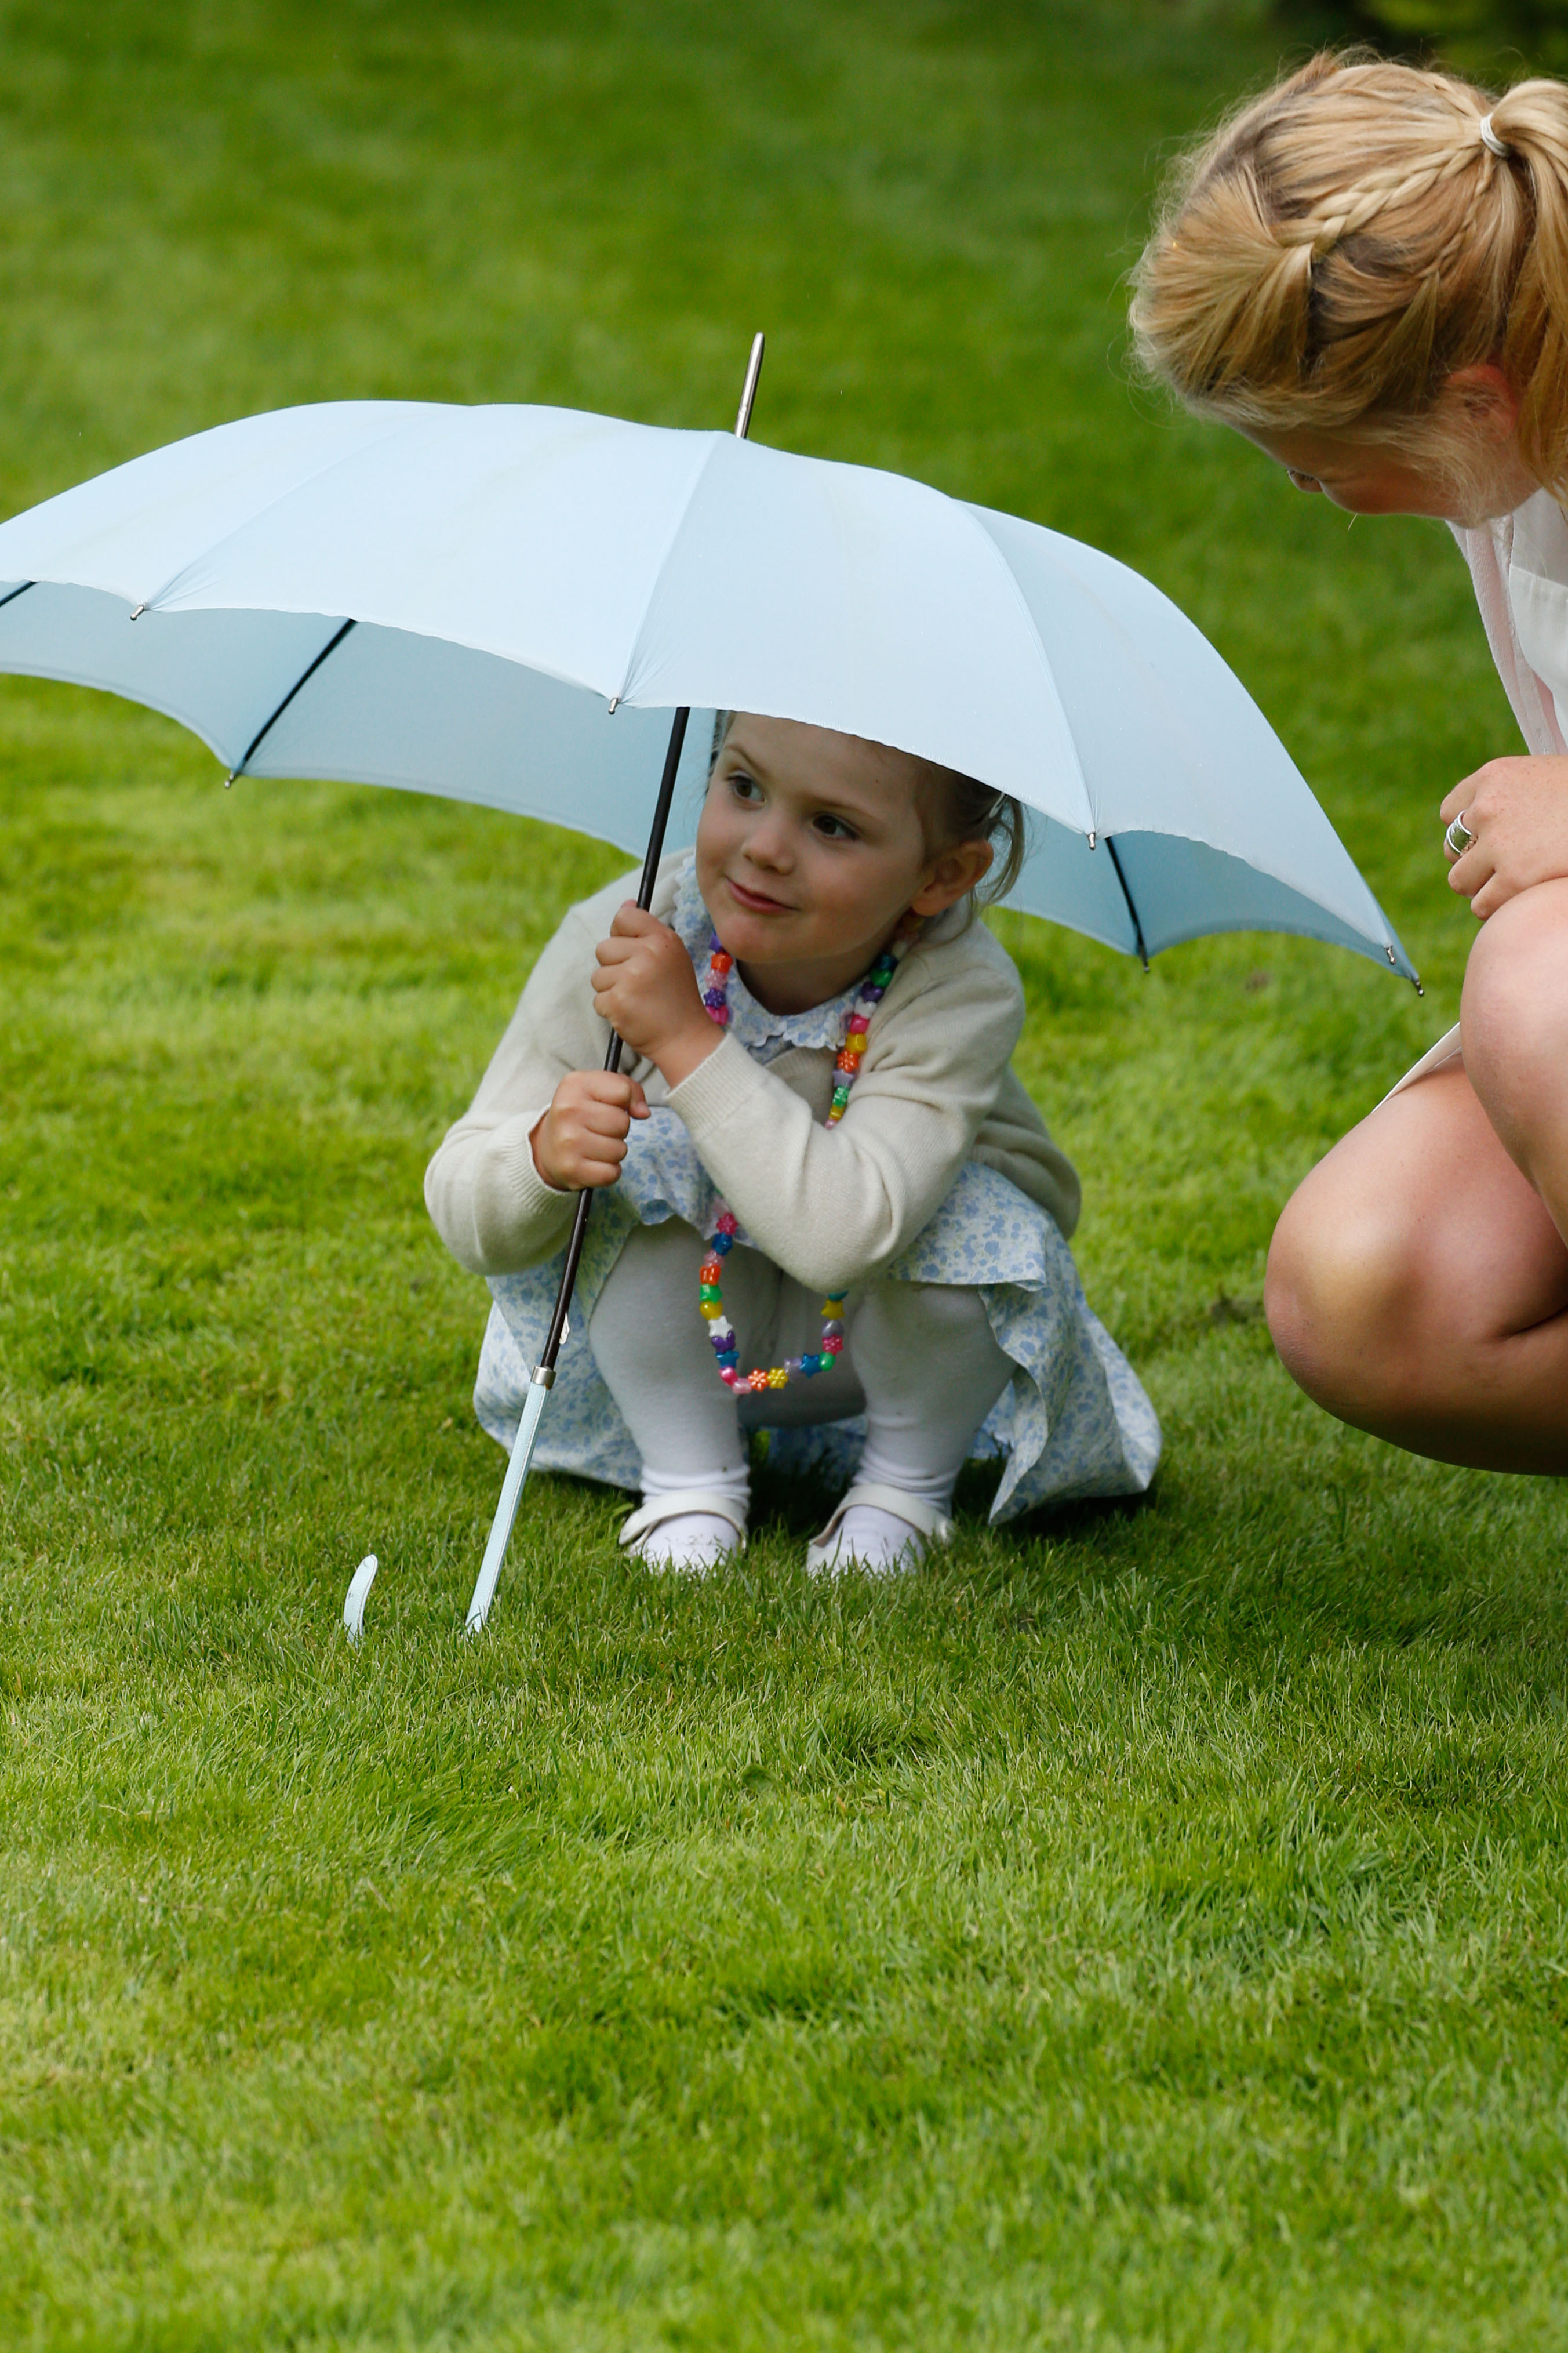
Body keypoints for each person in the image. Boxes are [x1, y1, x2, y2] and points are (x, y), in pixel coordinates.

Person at [425, 712, 1160, 1570]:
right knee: (636, 1152)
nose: (766, 846)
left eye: (831, 825)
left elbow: (845, 1234)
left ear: (943, 875)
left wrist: (687, 1043)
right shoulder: (628, 931)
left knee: (977, 1211)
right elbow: (460, 1194)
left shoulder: (957, 987)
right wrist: (540, 1157)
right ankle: (688, 1481)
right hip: (671, 1336)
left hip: (878, 1343)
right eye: (742, 786)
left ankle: (901, 1491)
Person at [1132, 49, 1568, 1475]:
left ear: (1476, 402)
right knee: (1368, 1285)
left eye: (1319, 467)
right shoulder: (1513, 457)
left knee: (1541, 989)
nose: (1320, 502)